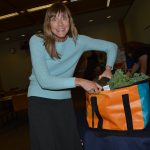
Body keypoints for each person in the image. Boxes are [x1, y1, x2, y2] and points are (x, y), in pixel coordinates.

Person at [27, 2, 118, 150]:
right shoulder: (37, 40)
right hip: (39, 101)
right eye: (54, 19)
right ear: (48, 23)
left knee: (70, 143)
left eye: (64, 18)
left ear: (70, 20)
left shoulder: (79, 41)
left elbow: (112, 46)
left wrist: (108, 69)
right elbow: (45, 81)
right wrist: (80, 81)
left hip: (64, 101)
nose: (60, 23)